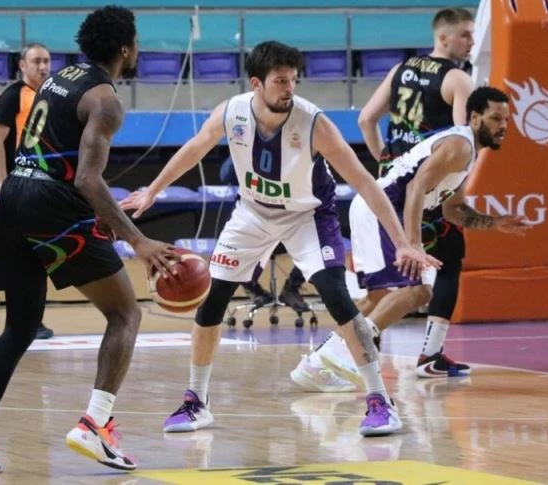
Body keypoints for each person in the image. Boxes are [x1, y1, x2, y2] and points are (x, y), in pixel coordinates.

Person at [121, 41, 440, 437]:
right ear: (257, 83)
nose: (289, 88)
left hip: (308, 216)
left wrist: (403, 242)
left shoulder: (314, 123)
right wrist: (152, 190)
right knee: (212, 301)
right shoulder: (232, 112)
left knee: (338, 298)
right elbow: (195, 148)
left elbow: (364, 182)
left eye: (293, 80)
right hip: (253, 213)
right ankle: (196, 402)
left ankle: (380, 401)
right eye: (280, 81)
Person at [0, 6, 178, 474]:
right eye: (136, 40)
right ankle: (95, 424)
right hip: (51, 202)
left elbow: (58, 158)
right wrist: (139, 241)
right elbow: (87, 181)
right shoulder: (106, 100)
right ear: (124, 48)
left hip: (15, 195)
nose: (139, 47)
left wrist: (100, 216)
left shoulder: (60, 78)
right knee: (125, 313)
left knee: (20, 327)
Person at [294, 87, 530, 391]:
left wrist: (494, 222)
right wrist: (413, 245)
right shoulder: (459, 146)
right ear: (474, 117)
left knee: (379, 298)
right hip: (382, 207)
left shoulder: (467, 153)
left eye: (507, 120)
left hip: (373, 208)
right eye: (496, 118)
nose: (503, 126)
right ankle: (344, 353)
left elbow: (451, 210)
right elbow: (415, 187)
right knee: (418, 291)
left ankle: (315, 364)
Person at [357, 7, 477, 369]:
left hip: (393, 181)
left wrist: (384, 159)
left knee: (388, 283)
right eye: (465, 34)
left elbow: (366, 119)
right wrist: (457, 191)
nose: (471, 41)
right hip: (428, 185)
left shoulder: (401, 69)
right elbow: (462, 139)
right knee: (448, 262)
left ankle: (356, 348)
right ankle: (430, 354)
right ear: (443, 37)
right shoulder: (457, 79)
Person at [0, 42, 55, 339]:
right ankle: (18, 323)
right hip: (17, 188)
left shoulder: (50, 95)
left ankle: (34, 321)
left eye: (47, 61)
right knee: (18, 259)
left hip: (42, 187)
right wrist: (3, 184)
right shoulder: (12, 95)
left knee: (40, 257)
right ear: (22, 65)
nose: (43, 66)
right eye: (37, 61)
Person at [219, 156, 309, 311]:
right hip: (255, 229)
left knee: (319, 242)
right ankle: (255, 291)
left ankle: (292, 288)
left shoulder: (294, 155)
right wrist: (237, 152)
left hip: (289, 225)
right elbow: (225, 175)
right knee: (230, 247)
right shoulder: (248, 152)